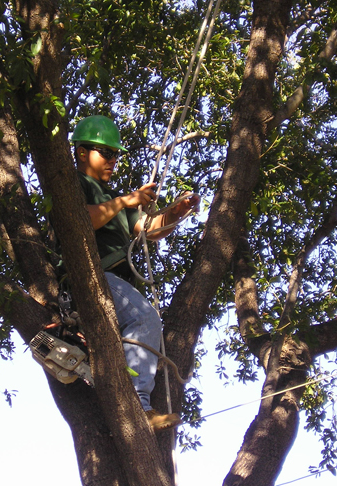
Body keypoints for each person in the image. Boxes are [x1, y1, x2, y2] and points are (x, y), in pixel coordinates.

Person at [71, 115, 199, 432]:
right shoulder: (73, 185)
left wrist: (175, 212)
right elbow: (80, 219)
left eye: (116, 154)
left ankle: (126, 401)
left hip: (114, 282)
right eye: (106, 153)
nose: (113, 160)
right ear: (82, 152)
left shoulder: (111, 198)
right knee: (145, 319)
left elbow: (147, 229)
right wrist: (126, 199)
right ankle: (139, 408)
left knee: (140, 325)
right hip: (89, 276)